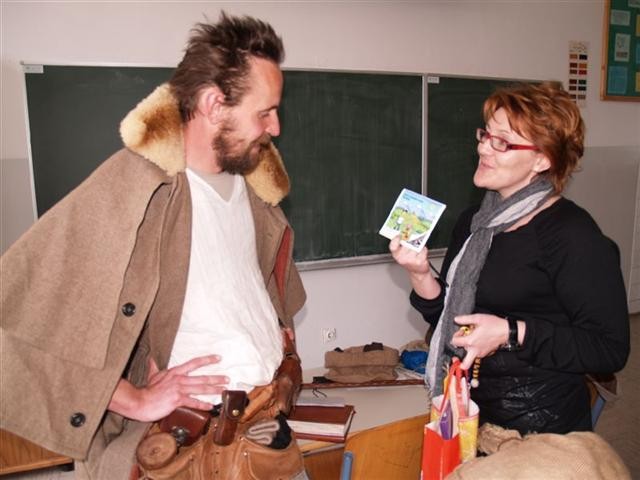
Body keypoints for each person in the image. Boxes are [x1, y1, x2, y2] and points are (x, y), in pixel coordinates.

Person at [0, 12, 308, 479]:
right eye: (264, 112)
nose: (275, 127)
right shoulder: (135, 188)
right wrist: (132, 398)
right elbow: (18, 323)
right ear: (213, 104)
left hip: (268, 427)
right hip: (195, 447)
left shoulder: (253, 187)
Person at [390, 81, 630, 435]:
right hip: (468, 409)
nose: (483, 148)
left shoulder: (572, 234)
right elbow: (453, 321)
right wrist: (420, 273)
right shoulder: (475, 222)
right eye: (485, 135)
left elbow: (608, 349)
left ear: (542, 159)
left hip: (539, 426)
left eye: (501, 142)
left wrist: (510, 332)